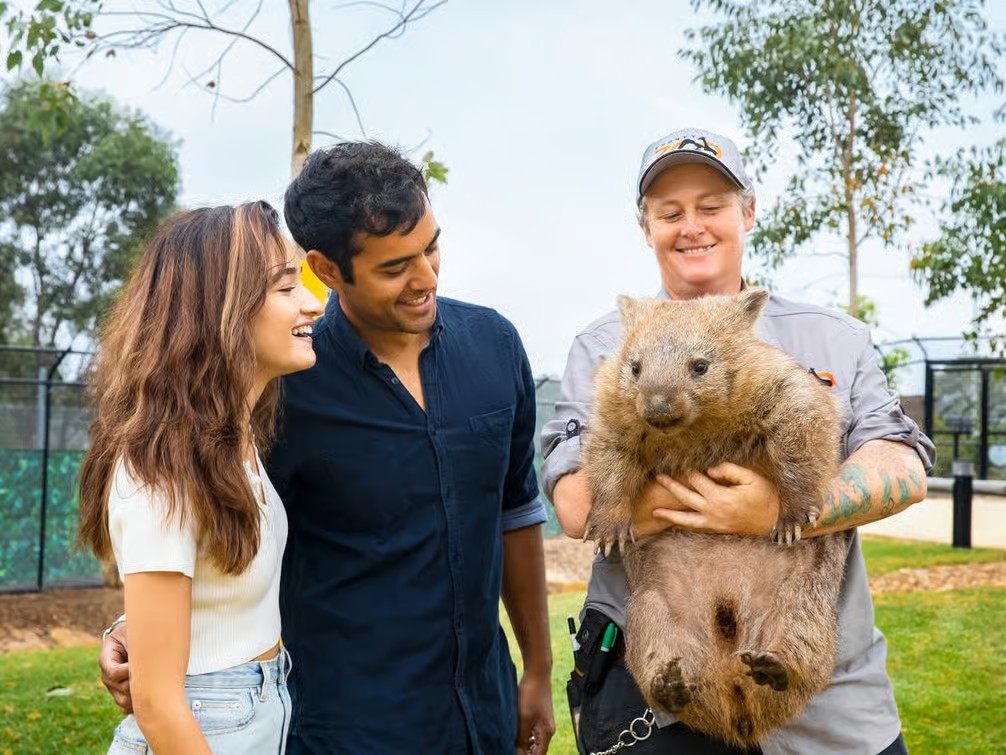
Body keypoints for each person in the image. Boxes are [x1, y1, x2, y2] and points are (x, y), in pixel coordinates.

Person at [99, 142, 556, 754]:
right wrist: (137, 631)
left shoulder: (496, 347)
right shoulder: (282, 389)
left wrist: (538, 670)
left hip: (485, 711)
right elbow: (192, 528)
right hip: (345, 727)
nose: (426, 278)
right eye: (395, 267)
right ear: (329, 268)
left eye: (432, 247)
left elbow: (516, 512)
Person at [541, 128, 935, 755]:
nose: (690, 226)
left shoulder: (832, 337)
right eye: (670, 212)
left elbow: (905, 466)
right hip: (657, 704)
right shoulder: (603, 346)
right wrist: (709, 508)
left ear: (747, 211)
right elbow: (577, 505)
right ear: (646, 227)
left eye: (711, 206)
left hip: (833, 706)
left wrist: (783, 510)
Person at [78, 202, 324, 754]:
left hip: (248, 710)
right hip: (203, 726)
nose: (312, 303)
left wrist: (127, 626)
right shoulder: (160, 470)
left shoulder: (230, 440)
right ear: (222, 310)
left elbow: (209, 590)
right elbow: (161, 707)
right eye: (287, 289)